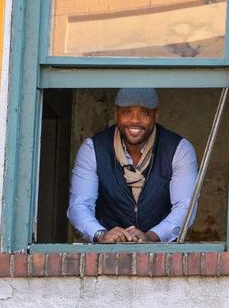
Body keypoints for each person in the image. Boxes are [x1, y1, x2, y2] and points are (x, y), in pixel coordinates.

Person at [67, 88, 199, 243]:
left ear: (156, 115)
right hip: (105, 256)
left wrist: (151, 236)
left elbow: (186, 207)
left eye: (144, 113)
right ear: (116, 114)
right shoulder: (93, 149)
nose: (135, 120)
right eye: (127, 112)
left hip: (163, 255)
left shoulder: (179, 149)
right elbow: (79, 205)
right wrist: (101, 234)